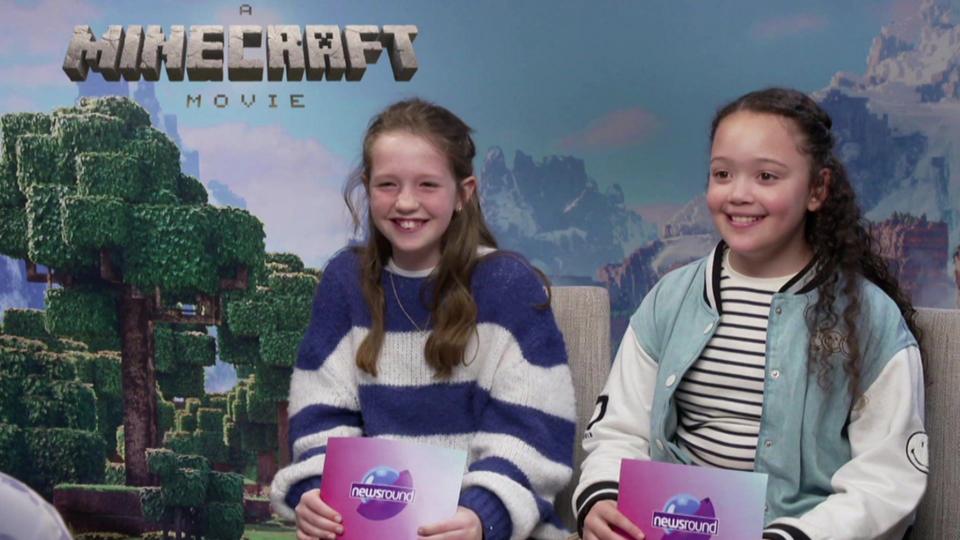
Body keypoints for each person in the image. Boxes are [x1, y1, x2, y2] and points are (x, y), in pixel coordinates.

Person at [573, 88, 927, 540]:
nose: (738, 194)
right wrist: (604, 496)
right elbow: (619, 427)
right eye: (722, 174)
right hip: (664, 528)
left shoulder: (870, 319)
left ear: (817, 190)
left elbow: (887, 480)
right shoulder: (670, 298)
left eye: (766, 176)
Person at [269, 98, 576, 540]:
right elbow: (321, 414)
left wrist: (479, 516)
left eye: (428, 184)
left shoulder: (509, 285)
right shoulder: (345, 282)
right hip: (371, 524)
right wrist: (319, 493)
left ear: (463, 194)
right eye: (388, 184)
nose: (406, 202)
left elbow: (532, 432)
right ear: (367, 188)